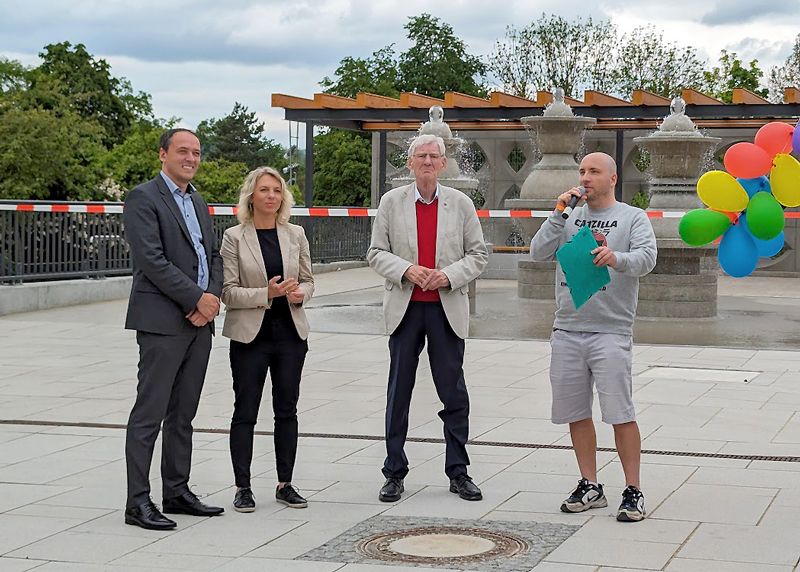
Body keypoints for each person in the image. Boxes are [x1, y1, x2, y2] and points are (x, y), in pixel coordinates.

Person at [530, 152, 657, 522]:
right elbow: (538, 253)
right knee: (576, 412)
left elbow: (648, 259)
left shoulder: (633, 217)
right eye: (582, 171)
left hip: (611, 331)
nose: (585, 177)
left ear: (613, 178)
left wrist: (616, 258)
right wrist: (557, 214)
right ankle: (590, 484)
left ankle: (633, 490)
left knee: (620, 412)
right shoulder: (567, 215)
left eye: (594, 171)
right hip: (567, 329)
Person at [367, 134, 488, 503]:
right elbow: (375, 252)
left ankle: (458, 471)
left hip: (445, 307)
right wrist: (407, 270)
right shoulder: (391, 202)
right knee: (398, 391)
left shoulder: (461, 203)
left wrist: (448, 275)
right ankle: (394, 471)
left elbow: (479, 255)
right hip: (405, 306)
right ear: (409, 163)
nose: (428, 162)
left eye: (434, 156)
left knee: (453, 391)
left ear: (444, 163)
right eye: (421, 156)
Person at [123, 128, 224, 530]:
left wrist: (211, 299)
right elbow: (152, 260)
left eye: (196, 152)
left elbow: (212, 254)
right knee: (150, 413)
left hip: (200, 322)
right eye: (183, 151)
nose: (191, 158)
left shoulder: (196, 200)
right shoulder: (143, 198)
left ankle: (177, 491)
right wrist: (195, 299)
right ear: (163, 154)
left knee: (183, 414)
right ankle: (137, 502)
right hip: (163, 322)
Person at [221, 166, 314, 512]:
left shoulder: (296, 234)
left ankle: (285, 483)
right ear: (251, 196)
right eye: (264, 190)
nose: (271, 196)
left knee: (286, 410)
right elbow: (228, 293)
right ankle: (242, 486)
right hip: (250, 337)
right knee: (245, 411)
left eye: (277, 190)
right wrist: (267, 293)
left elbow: (308, 279)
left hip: (290, 334)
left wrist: (300, 294)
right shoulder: (234, 236)